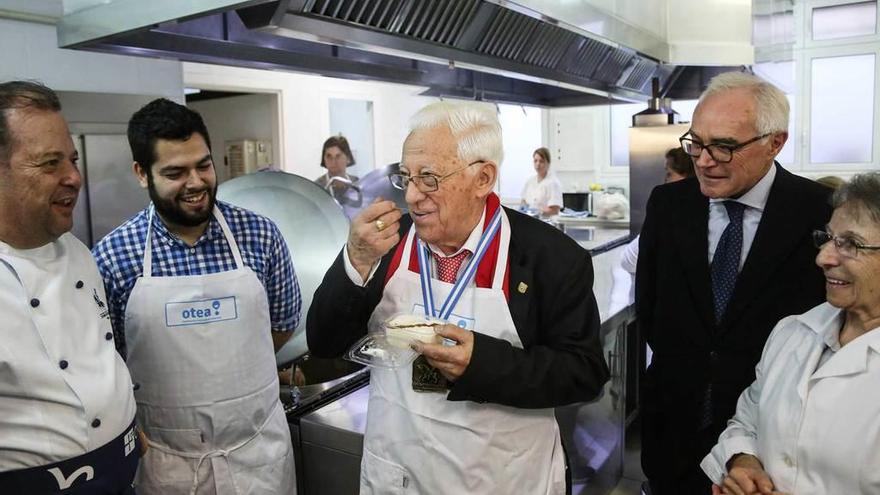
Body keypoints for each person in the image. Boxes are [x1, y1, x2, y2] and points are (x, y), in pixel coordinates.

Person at [307, 101, 609, 494]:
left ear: (483, 178)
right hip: (400, 475)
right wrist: (356, 260)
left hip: (503, 479)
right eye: (406, 177)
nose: (412, 196)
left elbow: (584, 373)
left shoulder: (548, 257)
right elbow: (324, 343)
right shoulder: (384, 243)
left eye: (429, 178)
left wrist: (482, 363)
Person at [636, 72, 833, 495]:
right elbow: (650, 308)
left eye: (724, 146)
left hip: (765, 446)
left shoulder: (818, 212)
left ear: (775, 142)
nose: (704, 160)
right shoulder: (668, 205)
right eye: (697, 143)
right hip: (671, 429)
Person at [91, 98, 301, 494]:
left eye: (203, 165)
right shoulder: (113, 257)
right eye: (175, 172)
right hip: (167, 463)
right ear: (141, 173)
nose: (196, 182)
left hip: (258, 456)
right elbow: (108, 362)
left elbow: (282, 326)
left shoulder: (260, 235)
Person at [0, 81, 141, 493]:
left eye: (73, 160)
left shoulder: (78, 251)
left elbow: (96, 356)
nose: (74, 178)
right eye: (49, 164)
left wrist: (124, 421)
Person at [702, 173, 880, 494]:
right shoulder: (794, 331)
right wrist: (743, 462)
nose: (823, 257)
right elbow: (746, 421)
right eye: (827, 238)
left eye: (851, 244)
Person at [521, 146, 563, 216]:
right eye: (535, 161)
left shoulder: (553, 183)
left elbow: (555, 210)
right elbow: (523, 201)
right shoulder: (530, 181)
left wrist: (538, 211)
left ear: (548, 163)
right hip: (530, 219)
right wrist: (524, 209)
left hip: (546, 222)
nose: (538, 164)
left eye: (541, 161)